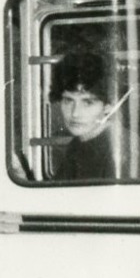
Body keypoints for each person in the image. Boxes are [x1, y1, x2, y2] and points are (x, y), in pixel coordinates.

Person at [50, 52, 118, 182]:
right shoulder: (78, 143)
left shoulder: (120, 153)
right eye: (68, 101)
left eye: (87, 103)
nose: (75, 113)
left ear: (109, 105)